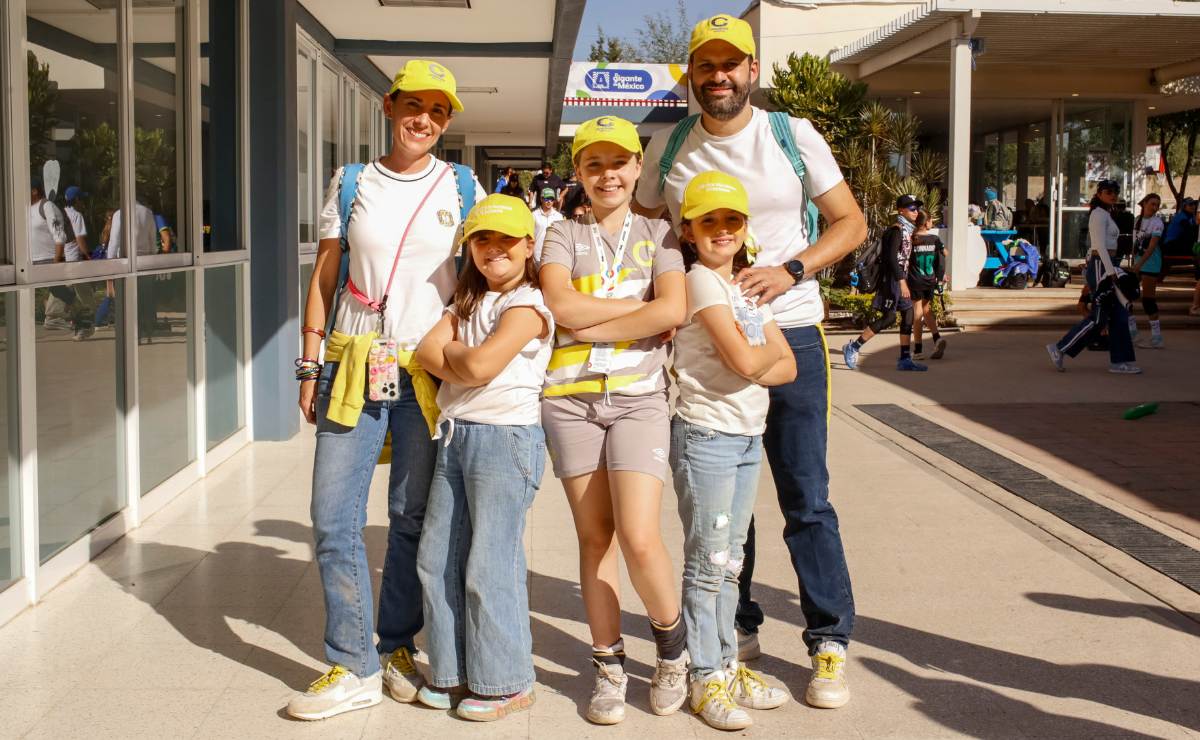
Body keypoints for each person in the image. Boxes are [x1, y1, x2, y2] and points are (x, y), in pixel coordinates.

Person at [633, 14, 866, 710]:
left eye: (731, 63)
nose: (719, 76)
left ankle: (828, 642)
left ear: (751, 70)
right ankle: (737, 630)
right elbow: (644, 231)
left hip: (789, 330)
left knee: (805, 495)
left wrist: (791, 269)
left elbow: (851, 222)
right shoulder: (669, 144)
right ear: (690, 75)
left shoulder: (792, 135)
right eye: (706, 65)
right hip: (706, 343)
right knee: (729, 500)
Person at [288, 59, 485, 721]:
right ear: (389, 105)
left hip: (425, 373)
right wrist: (309, 362)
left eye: (438, 110)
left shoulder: (461, 185)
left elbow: (480, 278)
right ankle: (353, 664)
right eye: (413, 105)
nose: (424, 119)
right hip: (353, 362)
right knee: (331, 518)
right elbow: (324, 278)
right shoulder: (350, 182)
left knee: (410, 517)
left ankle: (396, 645)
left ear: (447, 121)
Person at [539, 115, 689, 725]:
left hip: (639, 400)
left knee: (639, 535)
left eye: (619, 162)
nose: (608, 175)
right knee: (594, 537)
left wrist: (592, 324)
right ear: (578, 172)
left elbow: (672, 309)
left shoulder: (662, 233)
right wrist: (636, 311)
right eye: (593, 164)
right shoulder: (559, 234)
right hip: (569, 402)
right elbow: (558, 304)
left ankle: (673, 651)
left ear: (637, 167)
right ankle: (608, 666)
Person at [414, 194, 552, 722]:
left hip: (504, 439)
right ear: (469, 247)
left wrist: (457, 358)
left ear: (528, 245)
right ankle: (451, 672)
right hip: (456, 435)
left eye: (506, 239)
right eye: (482, 239)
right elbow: (425, 352)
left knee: (490, 564)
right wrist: (463, 359)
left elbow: (477, 367)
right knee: (437, 559)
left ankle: (506, 681)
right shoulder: (466, 302)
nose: (494, 248)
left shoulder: (529, 305)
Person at [669, 171, 796, 730]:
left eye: (732, 220)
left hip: (746, 434)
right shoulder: (700, 282)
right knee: (707, 563)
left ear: (745, 227)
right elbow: (752, 361)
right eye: (709, 221)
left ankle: (724, 664)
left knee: (731, 562)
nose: (722, 230)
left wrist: (754, 357)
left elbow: (789, 368)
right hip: (708, 436)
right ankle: (704, 678)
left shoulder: (745, 286)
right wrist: (757, 356)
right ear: (689, 231)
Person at [1046, 180, 1140, 374]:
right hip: (1102, 267)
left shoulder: (1105, 213)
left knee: (1118, 314)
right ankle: (1060, 348)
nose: (1113, 195)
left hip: (1107, 265)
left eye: (1115, 192)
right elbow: (1099, 246)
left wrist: (1113, 269)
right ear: (1099, 194)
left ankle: (1120, 361)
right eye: (1108, 192)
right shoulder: (1098, 214)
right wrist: (1112, 273)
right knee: (1099, 317)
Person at [841, 194, 926, 372]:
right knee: (889, 318)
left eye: (917, 209)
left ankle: (904, 359)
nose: (916, 212)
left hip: (900, 278)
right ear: (901, 210)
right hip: (892, 281)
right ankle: (853, 347)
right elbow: (891, 259)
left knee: (908, 314)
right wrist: (901, 282)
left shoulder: (907, 230)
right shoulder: (895, 231)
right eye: (912, 209)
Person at [909, 209, 947, 361]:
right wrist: (940, 278)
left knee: (917, 313)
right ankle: (937, 339)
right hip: (930, 280)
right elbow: (943, 256)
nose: (932, 223)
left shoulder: (912, 238)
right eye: (931, 220)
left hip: (915, 280)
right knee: (926, 309)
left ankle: (918, 350)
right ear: (926, 223)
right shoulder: (935, 239)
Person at [1129, 193, 1166, 349]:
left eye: (1157, 204)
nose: (1155, 207)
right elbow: (1134, 243)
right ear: (1144, 203)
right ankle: (1132, 332)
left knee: (1148, 300)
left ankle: (1157, 336)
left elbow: (1151, 247)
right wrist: (1133, 262)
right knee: (1126, 297)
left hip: (1151, 264)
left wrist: (1139, 264)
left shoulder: (1157, 222)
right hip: (1138, 263)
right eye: (1152, 203)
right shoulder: (1137, 220)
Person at [531, 187, 564, 261]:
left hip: (553, 253)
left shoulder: (559, 216)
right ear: (541, 199)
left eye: (551, 199)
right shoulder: (534, 215)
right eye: (546, 199)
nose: (549, 201)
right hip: (537, 254)